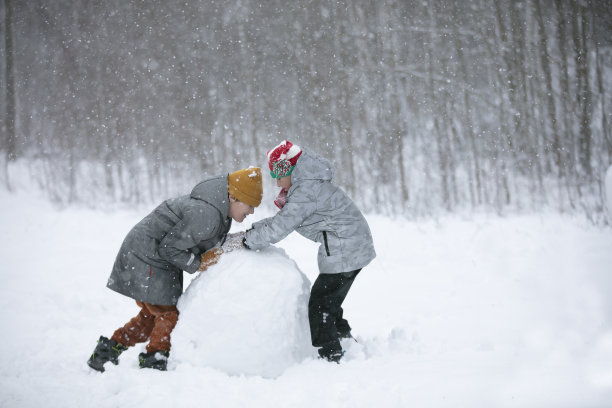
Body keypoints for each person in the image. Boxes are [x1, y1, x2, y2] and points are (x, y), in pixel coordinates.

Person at [87, 167, 263, 372]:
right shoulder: (207, 213)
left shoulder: (219, 211)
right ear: (233, 197)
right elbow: (169, 248)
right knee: (167, 315)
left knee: (152, 315)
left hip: (155, 257)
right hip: (147, 257)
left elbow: (202, 239)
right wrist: (198, 263)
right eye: (250, 205)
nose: (252, 212)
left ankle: (106, 352)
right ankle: (154, 359)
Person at [244, 141, 376, 363]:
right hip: (352, 246)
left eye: (278, 175)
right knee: (329, 300)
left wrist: (247, 241)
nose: (277, 182)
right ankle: (343, 339)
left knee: (320, 303)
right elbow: (283, 220)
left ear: (288, 169)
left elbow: (280, 227)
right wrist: (254, 231)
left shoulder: (306, 190)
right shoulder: (308, 186)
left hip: (346, 248)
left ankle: (330, 354)